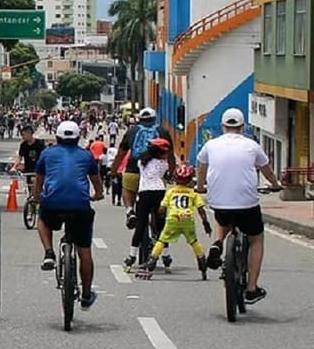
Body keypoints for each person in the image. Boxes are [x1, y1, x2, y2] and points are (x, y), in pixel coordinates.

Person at [195, 108, 283, 304]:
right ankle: (251, 288)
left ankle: (218, 243)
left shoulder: (211, 145)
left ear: (223, 126)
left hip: (219, 200)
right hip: (247, 203)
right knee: (256, 239)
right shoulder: (252, 146)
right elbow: (267, 171)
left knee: (221, 216)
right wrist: (275, 185)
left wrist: (200, 188)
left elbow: (201, 169)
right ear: (242, 127)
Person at [33, 120, 104, 310]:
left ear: (56, 137)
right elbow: (96, 182)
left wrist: (36, 197)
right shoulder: (86, 155)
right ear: (78, 137)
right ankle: (87, 295)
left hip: (52, 204)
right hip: (80, 207)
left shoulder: (47, 153)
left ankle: (49, 253)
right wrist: (98, 195)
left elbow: (39, 179)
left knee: (43, 220)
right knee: (85, 251)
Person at [138, 164, 212, 278]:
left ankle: (152, 262)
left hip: (173, 219)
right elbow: (201, 209)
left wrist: (159, 217)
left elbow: (162, 208)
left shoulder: (171, 192)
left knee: (162, 240)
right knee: (194, 242)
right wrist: (205, 223)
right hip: (188, 219)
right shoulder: (193, 193)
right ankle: (202, 262)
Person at [111, 107, 174, 229]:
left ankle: (130, 210)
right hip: (157, 176)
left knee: (127, 189)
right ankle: (158, 225)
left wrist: (114, 171)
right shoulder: (163, 132)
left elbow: (120, 155)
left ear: (139, 119)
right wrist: (171, 172)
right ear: (155, 118)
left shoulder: (132, 131)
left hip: (133, 170)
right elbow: (171, 156)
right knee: (158, 201)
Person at [124, 138, 172, 272]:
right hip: (159, 193)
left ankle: (131, 256)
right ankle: (166, 256)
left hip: (144, 193)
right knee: (161, 226)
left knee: (140, 226)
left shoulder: (141, 162)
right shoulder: (164, 164)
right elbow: (164, 176)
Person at [11, 124, 46, 197]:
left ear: (30, 133)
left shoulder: (39, 144)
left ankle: (40, 199)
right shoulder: (23, 145)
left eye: (24, 135)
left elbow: (45, 157)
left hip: (39, 170)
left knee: (37, 186)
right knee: (31, 189)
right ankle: (33, 202)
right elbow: (20, 157)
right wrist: (14, 167)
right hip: (28, 169)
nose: (23, 137)